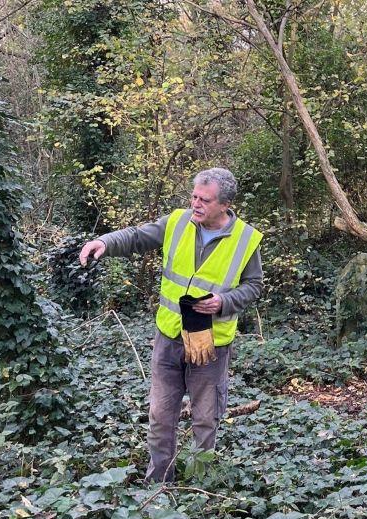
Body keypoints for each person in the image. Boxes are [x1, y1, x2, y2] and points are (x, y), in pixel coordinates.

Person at [79, 167, 264, 483]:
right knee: (161, 417)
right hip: (169, 340)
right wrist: (105, 242)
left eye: (204, 200)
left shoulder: (246, 239)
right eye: (194, 196)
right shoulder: (177, 222)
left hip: (211, 344)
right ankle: (158, 483)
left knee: (206, 419)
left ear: (225, 204)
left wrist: (223, 303)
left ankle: (200, 484)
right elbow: (137, 236)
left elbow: (254, 286)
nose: (196, 203)